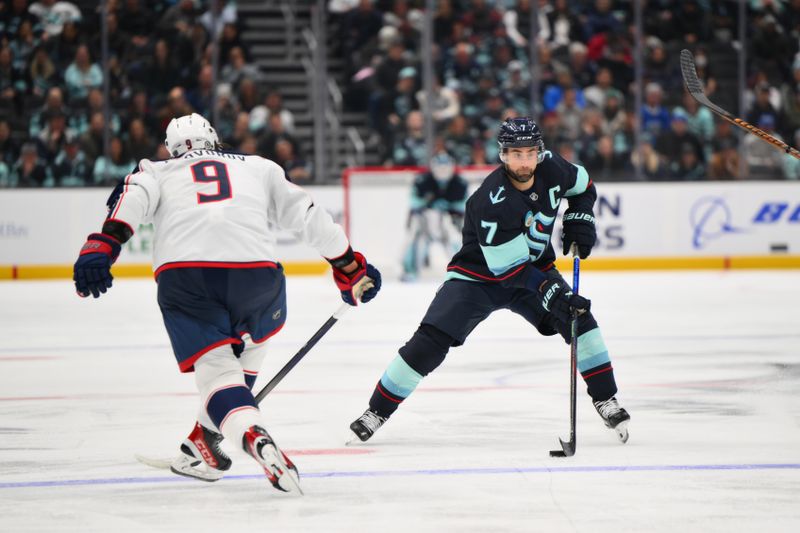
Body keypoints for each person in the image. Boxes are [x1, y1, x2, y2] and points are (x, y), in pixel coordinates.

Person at [72, 113, 381, 494]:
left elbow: (132, 198)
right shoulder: (258, 166)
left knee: (219, 373)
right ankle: (201, 442)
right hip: (257, 276)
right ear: (214, 138)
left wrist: (104, 245)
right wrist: (349, 266)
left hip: (188, 277)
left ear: (172, 148)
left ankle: (251, 435)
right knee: (248, 346)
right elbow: (308, 215)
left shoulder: (157, 170)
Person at [349, 117, 630, 445]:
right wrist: (552, 293)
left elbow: (584, 187)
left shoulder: (555, 168)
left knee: (580, 321)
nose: (523, 162)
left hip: (534, 269)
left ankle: (606, 398)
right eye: (515, 154)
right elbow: (511, 271)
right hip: (476, 278)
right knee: (429, 342)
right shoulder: (490, 200)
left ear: (540, 152)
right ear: (502, 155)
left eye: (529, 153)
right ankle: (377, 411)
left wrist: (580, 215)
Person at [401, 152, 468, 281]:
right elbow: (413, 202)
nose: (443, 172)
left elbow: (465, 204)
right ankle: (411, 271)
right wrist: (427, 203)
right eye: (440, 168)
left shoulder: (460, 182)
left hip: (450, 221)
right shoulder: (422, 180)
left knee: (457, 242)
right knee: (416, 241)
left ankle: (463, 271)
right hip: (425, 220)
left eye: (445, 168)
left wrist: (450, 207)